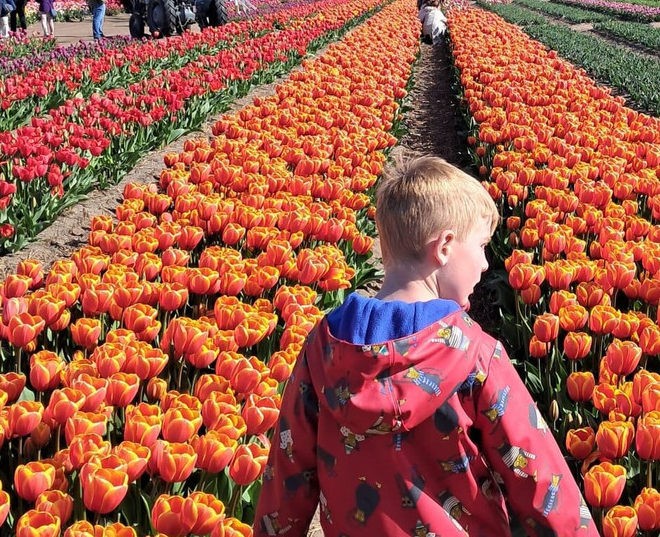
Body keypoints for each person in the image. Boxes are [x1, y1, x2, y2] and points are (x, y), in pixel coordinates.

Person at [253, 156, 596, 537]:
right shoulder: (477, 355)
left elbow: (287, 473)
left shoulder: (324, 348)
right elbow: (539, 477)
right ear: (445, 246)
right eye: (482, 246)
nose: (485, 264)